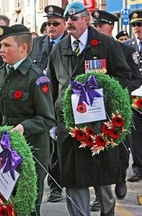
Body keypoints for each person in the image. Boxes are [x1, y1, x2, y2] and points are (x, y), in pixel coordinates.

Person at [47, 2, 131, 216]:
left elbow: (124, 76)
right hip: (70, 125)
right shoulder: (59, 48)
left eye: (74, 19)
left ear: (87, 19)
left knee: (102, 179)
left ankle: (108, 212)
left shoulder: (105, 44)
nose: (69, 23)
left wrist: (102, 92)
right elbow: (54, 87)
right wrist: (53, 121)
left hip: (99, 124)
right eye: (67, 19)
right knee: (74, 179)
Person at [0, 24, 56, 215]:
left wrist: (23, 127)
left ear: (23, 48)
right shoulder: (2, 73)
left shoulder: (36, 78)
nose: (1, 50)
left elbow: (47, 118)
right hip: (6, 147)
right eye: (1, 45)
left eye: (6, 45)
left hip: (32, 149)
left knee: (27, 206)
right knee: (6, 202)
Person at [90, 9, 140, 210]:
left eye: (99, 26)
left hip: (119, 108)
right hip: (95, 109)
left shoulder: (125, 50)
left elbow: (135, 78)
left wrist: (117, 94)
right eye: (94, 26)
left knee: (119, 149)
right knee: (95, 148)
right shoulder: (91, 50)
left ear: (110, 27)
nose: (96, 30)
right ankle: (100, 195)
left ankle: (120, 178)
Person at [30, 5, 67, 203]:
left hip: (60, 102)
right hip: (39, 103)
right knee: (42, 146)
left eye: (55, 23)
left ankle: (56, 186)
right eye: (48, 23)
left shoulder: (69, 44)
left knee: (57, 147)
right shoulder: (36, 44)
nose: (50, 27)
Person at [124, 10, 142, 182]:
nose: (137, 28)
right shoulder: (128, 46)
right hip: (136, 97)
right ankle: (137, 167)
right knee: (135, 133)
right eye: (134, 25)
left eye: (140, 24)